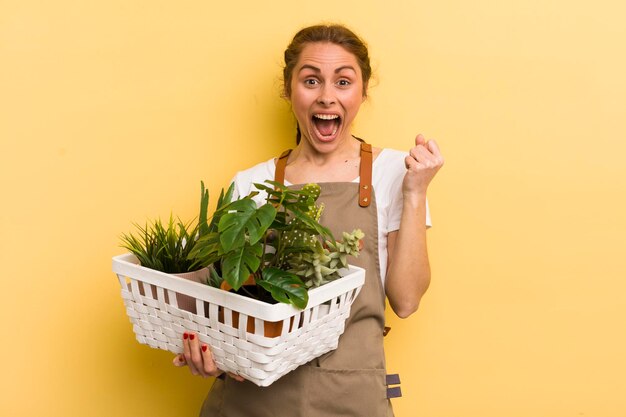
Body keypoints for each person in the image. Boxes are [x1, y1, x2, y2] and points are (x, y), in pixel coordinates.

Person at [173, 24, 444, 416]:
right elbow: (220, 297)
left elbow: (406, 300)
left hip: (350, 400)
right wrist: (206, 349)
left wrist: (416, 192)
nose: (327, 97)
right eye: (311, 80)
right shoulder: (250, 183)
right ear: (288, 89)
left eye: (343, 81)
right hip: (249, 403)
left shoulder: (393, 174)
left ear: (363, 92)